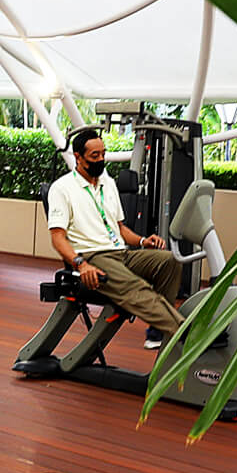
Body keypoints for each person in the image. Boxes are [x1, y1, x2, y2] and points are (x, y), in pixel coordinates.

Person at [47, 127, 184, 349]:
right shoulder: (62, 188)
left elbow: (120, 228)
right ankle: (185, 333)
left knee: (169, 261)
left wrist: (142, 241)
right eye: (94, 156)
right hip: (93, 256)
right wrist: (81, 264)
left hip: (121, 253)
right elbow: (57, 238)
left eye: (103, 154)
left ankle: (158, 333)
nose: (101, 159)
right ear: (78, 157)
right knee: (136, 286)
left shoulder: (107, 183)